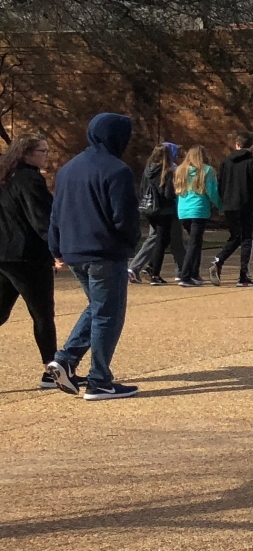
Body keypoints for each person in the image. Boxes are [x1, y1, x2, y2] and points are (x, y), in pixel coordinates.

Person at [44, 113, 142, 400]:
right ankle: (99, 380)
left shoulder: (67, 169)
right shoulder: (117, 170)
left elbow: (56, 213)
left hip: (74, 249)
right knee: (109, 314)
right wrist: (129, 244)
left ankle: (65, 359)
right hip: (104, 251)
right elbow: (124, 217)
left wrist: (56, 248)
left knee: (98, 307)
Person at [0, 133, 60, 384]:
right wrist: (58, 250)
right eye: (42, 152)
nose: (47, 156)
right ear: (26, 154)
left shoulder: (6, 178)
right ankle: (52, 372)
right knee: (43, 315)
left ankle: (52, 370)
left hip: (4, 255)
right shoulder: (30, 180)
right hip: (28, 257)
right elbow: (42, 220)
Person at [211, 133, 253, 287]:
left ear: (237, 144)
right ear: (250, 146)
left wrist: (222, 202)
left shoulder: (225, 162)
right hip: (246, 205)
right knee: (248, 239)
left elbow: (219, 184)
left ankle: (219, 260)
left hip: (229, 206)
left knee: (235, 236)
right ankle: (243, 276)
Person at [130, 143, 179, 284]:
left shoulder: (148, 170)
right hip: (164, 209)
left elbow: (143, 188)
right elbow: (168, 193)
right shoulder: (167, 170)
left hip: (149, 207)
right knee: (161, 241)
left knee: (158, 238)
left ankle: (150, 268)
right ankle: (154, 274)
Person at [173, 145, 220, 287]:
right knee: (194, 243)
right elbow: (212, 192)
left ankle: (194, 273)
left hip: (183, 211)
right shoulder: (207, 170)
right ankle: (185, 275)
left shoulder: (180, 170)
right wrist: (220, 206)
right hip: (199, 210)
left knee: (196, 242)